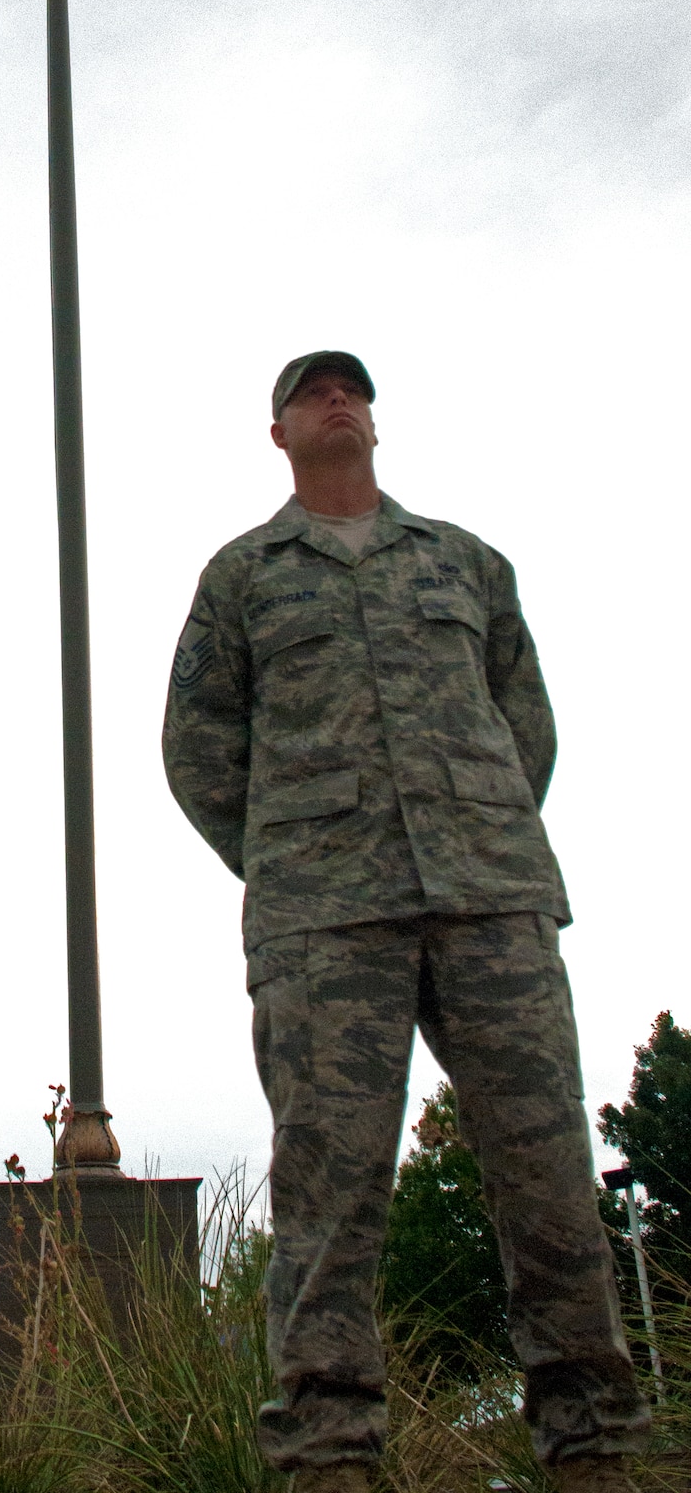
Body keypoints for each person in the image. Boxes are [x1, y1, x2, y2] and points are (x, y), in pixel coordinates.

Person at [162, 351, 649, 1493]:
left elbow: (521, 724)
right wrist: (296, 854)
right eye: (310, 391)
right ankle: (328, 1455)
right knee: (329, 1193)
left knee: (548, 1184)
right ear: (276, 431)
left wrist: (472, 826)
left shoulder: (466, 562)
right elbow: (197, 750)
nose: (337, 399)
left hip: (490, 901)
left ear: (373, 422)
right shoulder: (242, 577)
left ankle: (590, 1451)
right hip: (323, 925)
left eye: (352, 389)